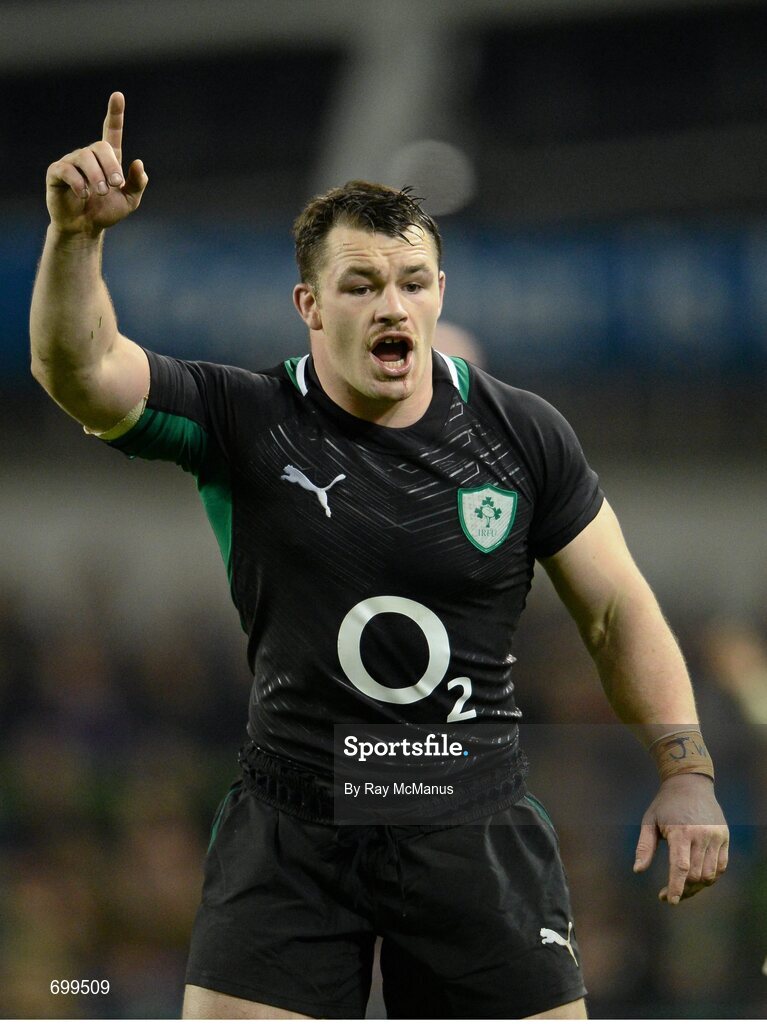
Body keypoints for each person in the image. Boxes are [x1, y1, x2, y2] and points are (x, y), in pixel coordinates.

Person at [30, 93, 730, 1021]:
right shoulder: (244, 417)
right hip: (293, 829)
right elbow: (78, 370)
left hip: (469, 819)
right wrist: (75, 239)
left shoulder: (521, 435)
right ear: (309, 306)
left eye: (412, 280)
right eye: (360, 285)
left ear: (440, 292)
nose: (391, 304)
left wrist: (685, 771)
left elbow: (615, 610)